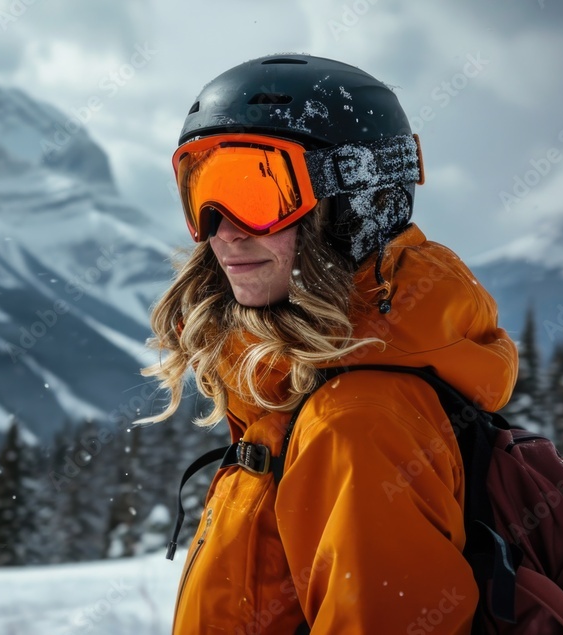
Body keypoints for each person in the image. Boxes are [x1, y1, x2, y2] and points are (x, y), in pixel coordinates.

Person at [142, 54, 518, 634]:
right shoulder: (296, 392)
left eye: (257, 192)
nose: (225, 229)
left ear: (354, 205)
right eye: (203, 191)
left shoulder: (357, 423)